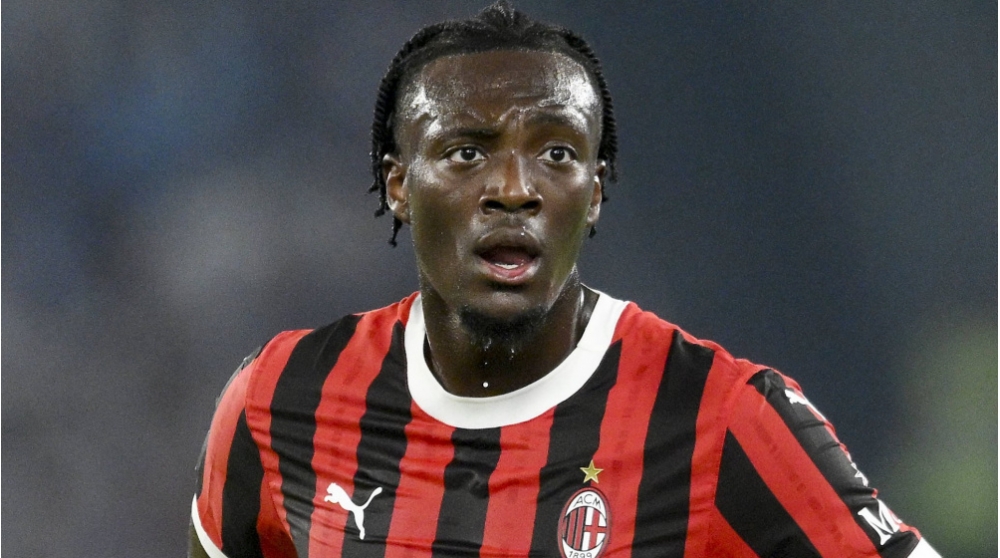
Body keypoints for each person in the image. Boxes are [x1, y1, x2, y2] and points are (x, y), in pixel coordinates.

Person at [190, 4, 939, 557]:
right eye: (465, 153)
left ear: (597, 191)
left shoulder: (722, 416)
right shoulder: (278, 399)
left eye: (556, 154)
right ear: (398, 185)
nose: (514, 189)